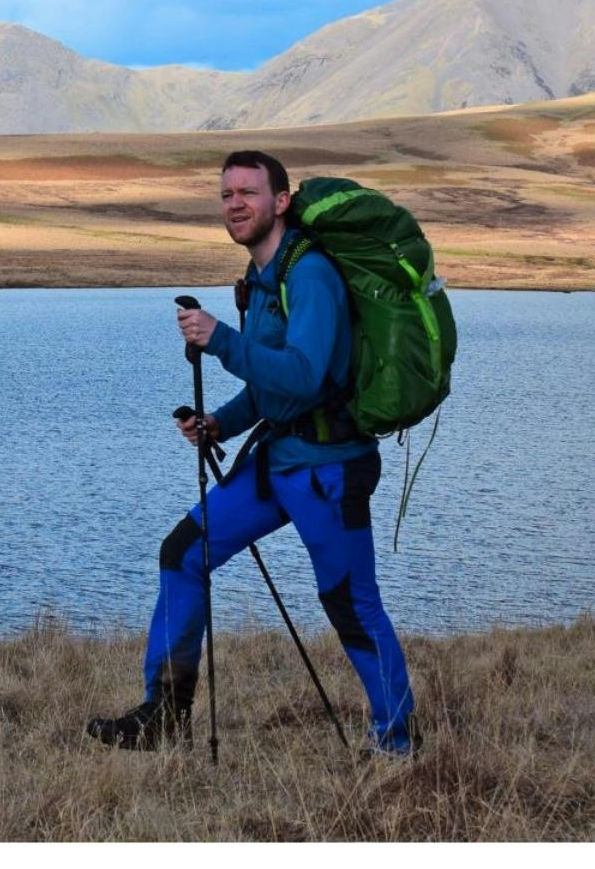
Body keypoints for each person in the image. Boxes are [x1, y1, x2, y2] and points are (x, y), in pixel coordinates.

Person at [86, 150, 419, 757]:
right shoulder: (264, 278)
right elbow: (271, 385)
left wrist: (221, 341)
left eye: (248, 192)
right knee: (182, 554)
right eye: (226, 194)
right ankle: (163, 715)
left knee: (350, 603)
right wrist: (222, 422)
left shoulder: (309, 274)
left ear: (281, 201)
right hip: (281, 456)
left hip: (328, 469)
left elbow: (305, 374)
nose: (235, 204)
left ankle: (397, 743)